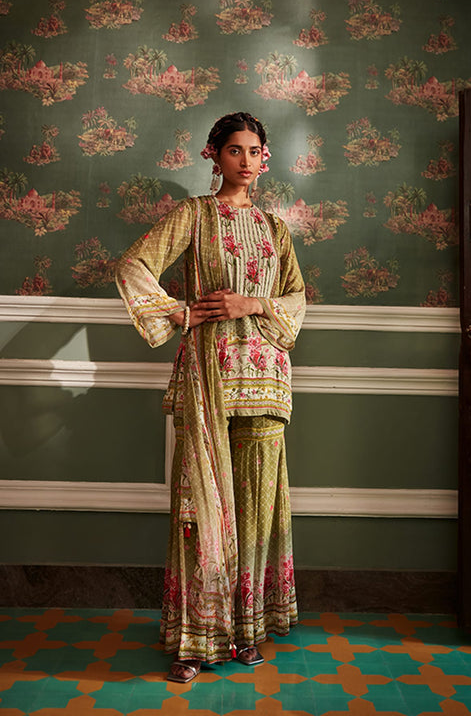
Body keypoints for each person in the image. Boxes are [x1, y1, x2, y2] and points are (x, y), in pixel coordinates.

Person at [115, 112, 306, 683]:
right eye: (234, 151)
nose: (246, 161)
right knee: (203, 506)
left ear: (265, 158)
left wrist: (255, 305)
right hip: (209, 374)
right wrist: (181, 312)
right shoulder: (194, 216)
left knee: (253, 510)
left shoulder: (276, 229)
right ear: (212, 155)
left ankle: (245, 632)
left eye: (255, 151)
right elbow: (133, 266)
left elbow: (295, 297)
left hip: (267, 379)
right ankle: (195, 640)